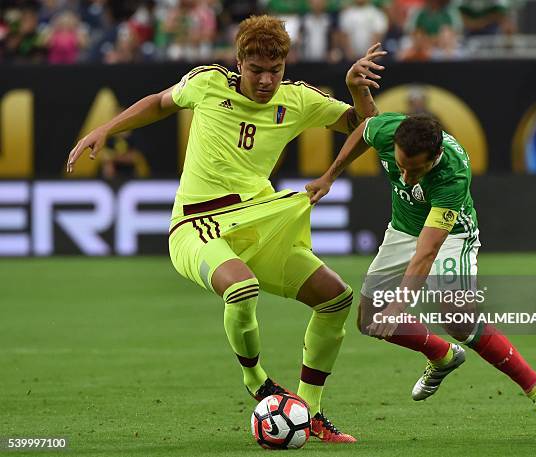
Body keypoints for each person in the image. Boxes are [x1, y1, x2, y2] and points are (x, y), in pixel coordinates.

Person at [67, 15, 386, 443]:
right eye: (257, 70)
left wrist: (357, 90)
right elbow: (161, 103)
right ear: (239, 62)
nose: (267, 80)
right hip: (196, 226)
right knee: (241, 288)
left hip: (258, 224)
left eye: (276, 70)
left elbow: (367, 129)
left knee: (335, 299)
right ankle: (257, 382)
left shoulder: (299, 100)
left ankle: (310, 410)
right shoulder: (207, 83)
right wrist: (106, 128)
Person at [306, 113, 536, 424]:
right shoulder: (389, 130)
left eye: (416, 170)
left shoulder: (452, 173)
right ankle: (442, 356)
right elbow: (364, 129)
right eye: (402, 166)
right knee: (369, 321)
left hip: (450, 235)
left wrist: (397, 306)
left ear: (436, 157)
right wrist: (330, 175)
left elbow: (427, 252)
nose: (406, 177)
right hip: (403, 229)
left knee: (458, 319)